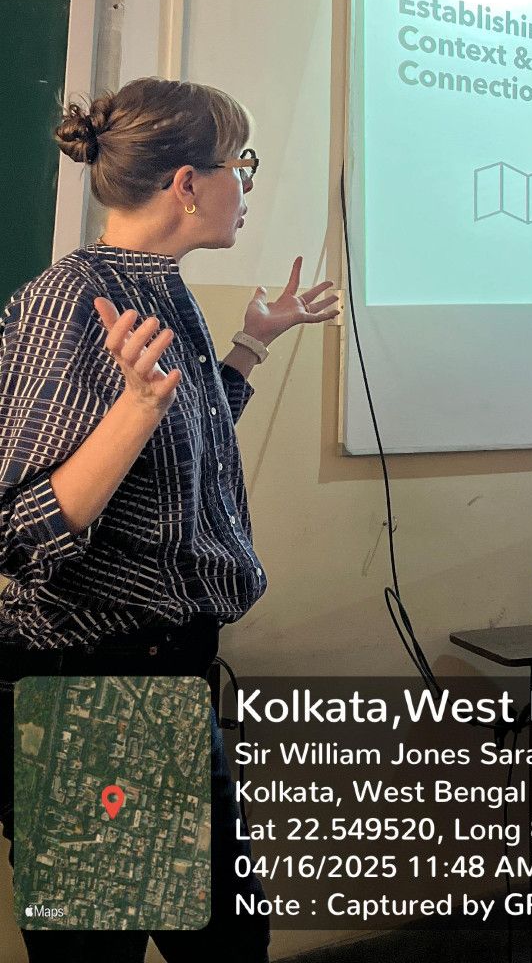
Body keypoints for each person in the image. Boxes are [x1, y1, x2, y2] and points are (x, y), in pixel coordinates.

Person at [0, 77, 339, 960]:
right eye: (241, 165)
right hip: (92, 694)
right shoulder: (75, 298)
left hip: (161, 680)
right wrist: (136, 410)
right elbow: (16, 530)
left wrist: (251, 344)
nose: (248, 185)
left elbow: (172, 464)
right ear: (187, 183)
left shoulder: (155, 287)